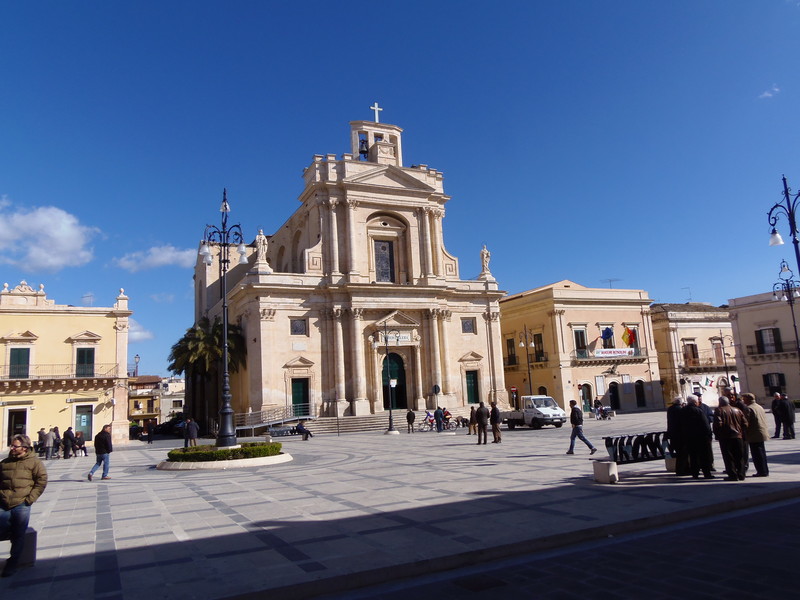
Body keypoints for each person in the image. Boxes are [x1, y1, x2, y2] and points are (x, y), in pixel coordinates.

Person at [0, 434, 48, 577]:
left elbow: (42, 480)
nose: (12, 448)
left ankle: (12, 563)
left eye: (15, 446)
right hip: (3, 503)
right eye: (12, 445)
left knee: (19, 534)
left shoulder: (34, 463)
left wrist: (30, 499)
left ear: (25, 448)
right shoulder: (5, 462)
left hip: (22, 503)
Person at [713, 397, 747, 481]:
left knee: (728, 456)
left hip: (726, 437)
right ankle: (741, 473)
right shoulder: (737, 410)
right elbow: (745, 423)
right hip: (738, 436)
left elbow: (718, 424)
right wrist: (741, 431)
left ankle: (732, 474)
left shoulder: (719, 410)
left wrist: (717, 434)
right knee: (739, 456)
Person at [680, 395, 714, 479]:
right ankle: (707, 473)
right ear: (695, 402)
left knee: (693, 456)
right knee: (704, 456)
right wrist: (709, 434)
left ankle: (695, 473)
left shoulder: (683, 411)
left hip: (689, 437)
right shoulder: (698, 411)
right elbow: (705, 424)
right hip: (701, 437)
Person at [742, 393, 769, 477]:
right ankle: (764, 470)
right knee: (762, 453)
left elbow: (746, 422)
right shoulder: (759, 406)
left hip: (754, 434)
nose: (743, 400)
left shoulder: (749, 408)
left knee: (757, 454)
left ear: (747, 399)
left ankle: (761, 471)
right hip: (762, 432)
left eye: (744, 399)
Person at [666, 396, 689, 475]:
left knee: (679, 453)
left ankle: (680, 469)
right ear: (681, 403)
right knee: (682, 453)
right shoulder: (680, 410)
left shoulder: (670, 409)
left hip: (672, 434)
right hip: (680, 434)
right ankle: (681, 470)